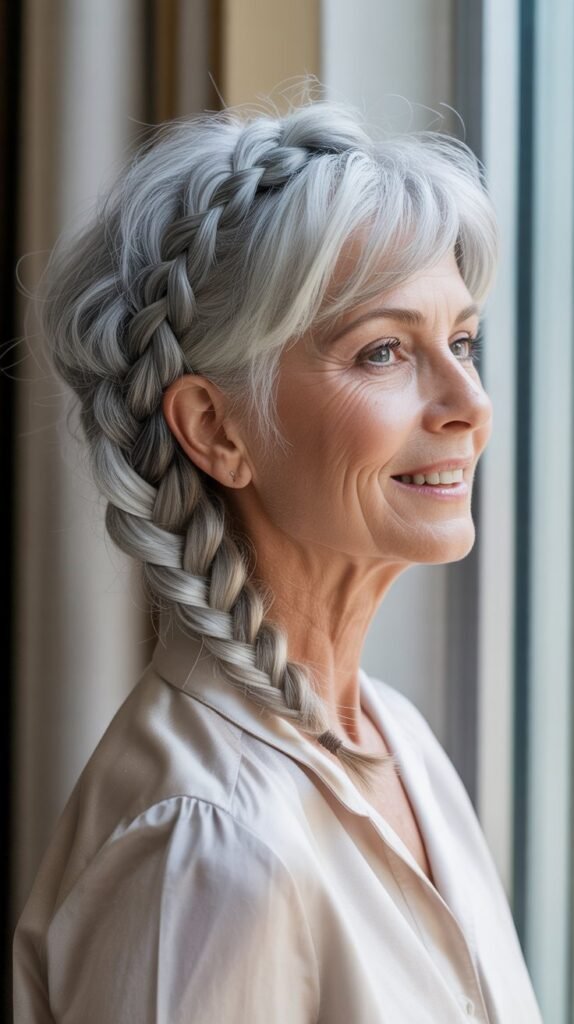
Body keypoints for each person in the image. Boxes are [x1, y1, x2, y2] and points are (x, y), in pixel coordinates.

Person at [12, 94, 543, 1023]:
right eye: (384, 351)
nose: (471, 403)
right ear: (215, 429)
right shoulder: (208, 851)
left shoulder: (400, 742)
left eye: (461, 341)